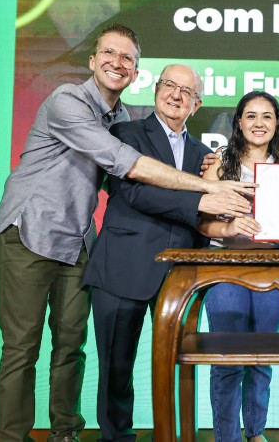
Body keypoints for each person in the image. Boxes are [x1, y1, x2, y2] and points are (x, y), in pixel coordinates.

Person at [0, 25, 253, 442]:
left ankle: (65, 434)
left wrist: (225, 210)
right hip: (30, 230)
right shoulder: (71, 103)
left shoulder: (121, 120)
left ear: (135, 72)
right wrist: (206, 192)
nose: (117, 62)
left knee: (70, 346)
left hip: (77, 243)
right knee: (23, 347)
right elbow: (129, 176)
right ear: (93, 60)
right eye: (109, 53)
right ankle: (13, 438)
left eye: (127, 57)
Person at [83, 63, 231, 442]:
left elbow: (208, 216)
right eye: (169, 85)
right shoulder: (126, 134)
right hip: (123, 267)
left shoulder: (204, 156)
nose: (176, 95)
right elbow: (136, 193)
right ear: (156, 89)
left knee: (179, 367)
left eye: (187, 91)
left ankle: (174, 434)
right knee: (116, 366)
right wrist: (199, 200)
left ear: (197, 105)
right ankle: (116, 437)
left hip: (180, 276)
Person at [197, 91, 279, 442]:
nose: (259, 123)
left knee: (262, 358)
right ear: (239, 122)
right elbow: (200, 223)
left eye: (267, 116)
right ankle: (227, 437)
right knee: (228, 358)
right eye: (251, 116)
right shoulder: (220, 164)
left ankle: (255, 433)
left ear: (277, 123)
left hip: (271, 266)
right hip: (225, 266)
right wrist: (229, 228)